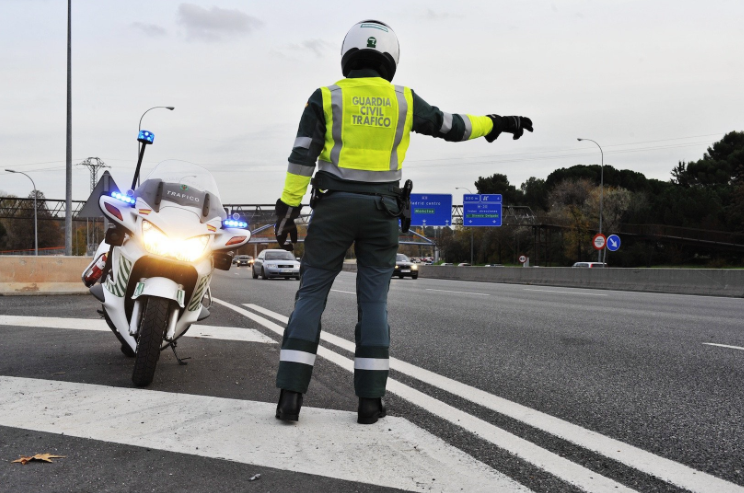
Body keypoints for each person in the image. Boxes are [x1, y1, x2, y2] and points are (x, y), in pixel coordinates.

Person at [273, 19, 533, 424]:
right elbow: (453, 125)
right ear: (390, 58)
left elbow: (302, 156)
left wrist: (287, 211)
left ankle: (290, 396)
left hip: (333, 209)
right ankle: (370, 402)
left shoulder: (325, 97)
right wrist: (497, 123)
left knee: (310, 296)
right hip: (382, 213)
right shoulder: (404, 100)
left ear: (348, 55)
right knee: (373, 304)